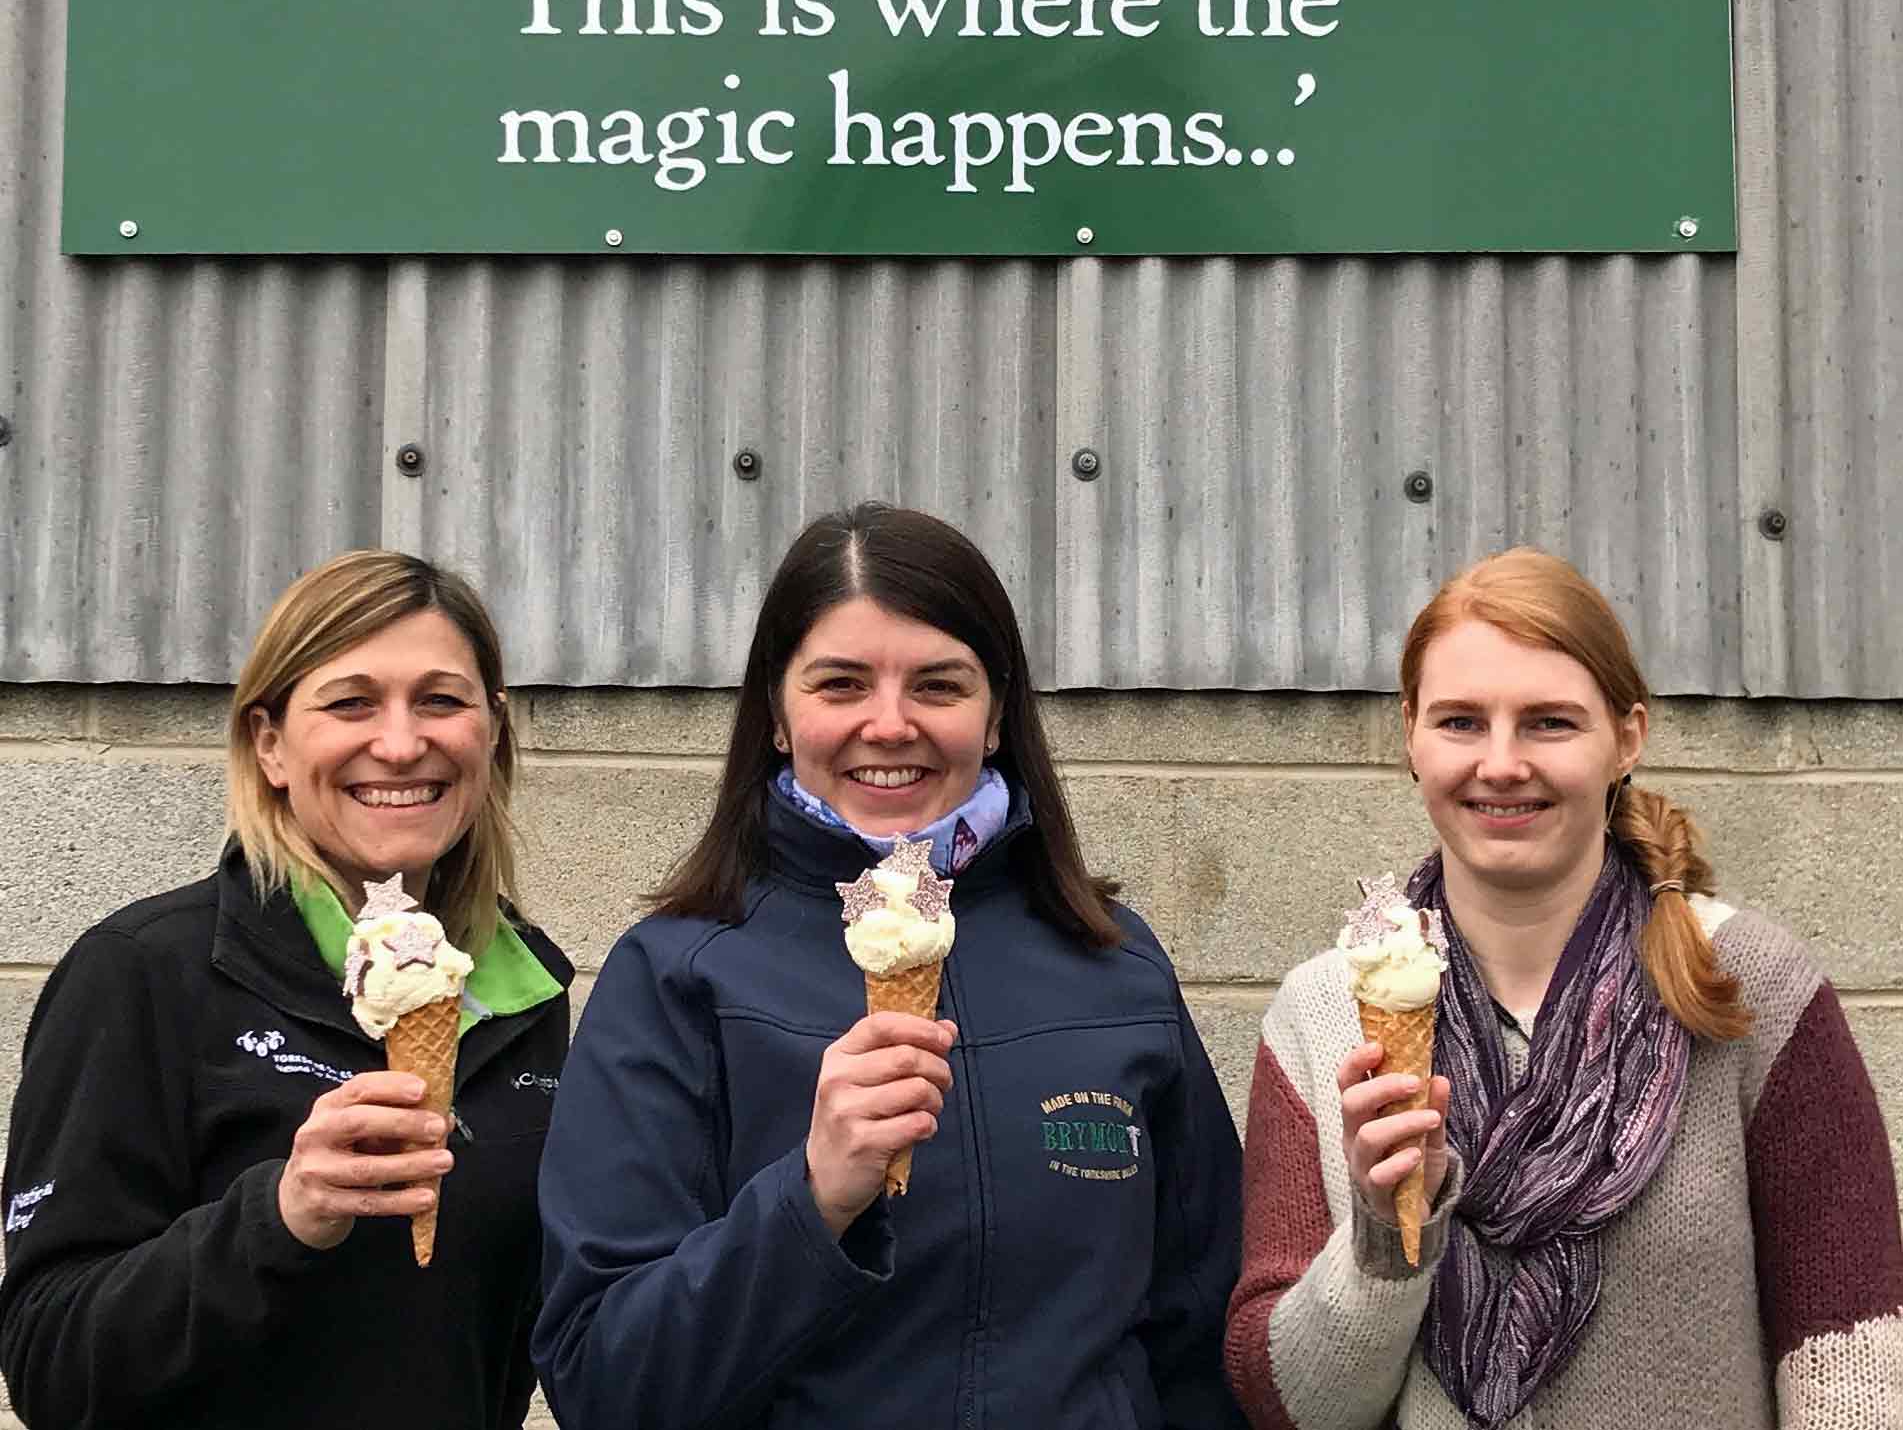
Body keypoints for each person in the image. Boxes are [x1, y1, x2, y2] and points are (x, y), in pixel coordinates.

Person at [535, 501, 1246, 1429]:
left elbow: (1200, 1341)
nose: (889, 723)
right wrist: (811, 1197)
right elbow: (602, 1382)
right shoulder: (676, 975)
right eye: (839, 684)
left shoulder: (1114, 962)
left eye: (939, 686)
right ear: (778, 718)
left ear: (995, 717)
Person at [1225, 547, 1903, 1430]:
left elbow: (1850, 1361)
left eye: (1549, 723)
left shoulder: (1749, 988)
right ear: (1410, 735)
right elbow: (1294, 1408)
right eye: (1460, 722)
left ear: (1627, 736)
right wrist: (1386, 1237)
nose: (1500, 764)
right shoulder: (1320, 1015)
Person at [0, 550, 571, 1430]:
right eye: (350, 702)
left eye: (441, 700)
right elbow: (49, 1361)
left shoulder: (526, 994)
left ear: (491, 731)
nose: (399, 742)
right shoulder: (143, 971)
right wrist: (280, 1214)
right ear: (269, 743)